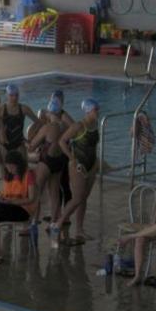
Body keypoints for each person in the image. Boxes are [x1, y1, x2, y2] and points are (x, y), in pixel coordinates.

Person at [51, 98, 100, 245]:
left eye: (97, 109)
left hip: (91, 165)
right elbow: (61, 141)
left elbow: (92, 146)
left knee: (84, 198)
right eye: (95, 110)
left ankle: (79, 230)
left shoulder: (95, 124)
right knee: (77, 198)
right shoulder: (78, 125)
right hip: (77, 166)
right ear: (88, 111)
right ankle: (58, 224)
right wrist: (72, 158)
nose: (98, 112)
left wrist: (97, 163)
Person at [28, 98, 68, 227]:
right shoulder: (65, 126)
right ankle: (54, 222)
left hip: (47, 161)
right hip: (59, 161)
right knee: (55, 192)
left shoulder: (48, 127)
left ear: (50, 113)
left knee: (37, 190)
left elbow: (32, 146)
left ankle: (34, 220)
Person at [0, 83, 38, 159]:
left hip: (19, 143)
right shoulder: (1, 110)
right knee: (6, 168)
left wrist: (31, 137)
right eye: (11, 95)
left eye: (16, 95)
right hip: (4, 144)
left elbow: (38, 122)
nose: (14, 98)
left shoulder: (24, 108)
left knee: (23, 167)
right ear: (7, 95)